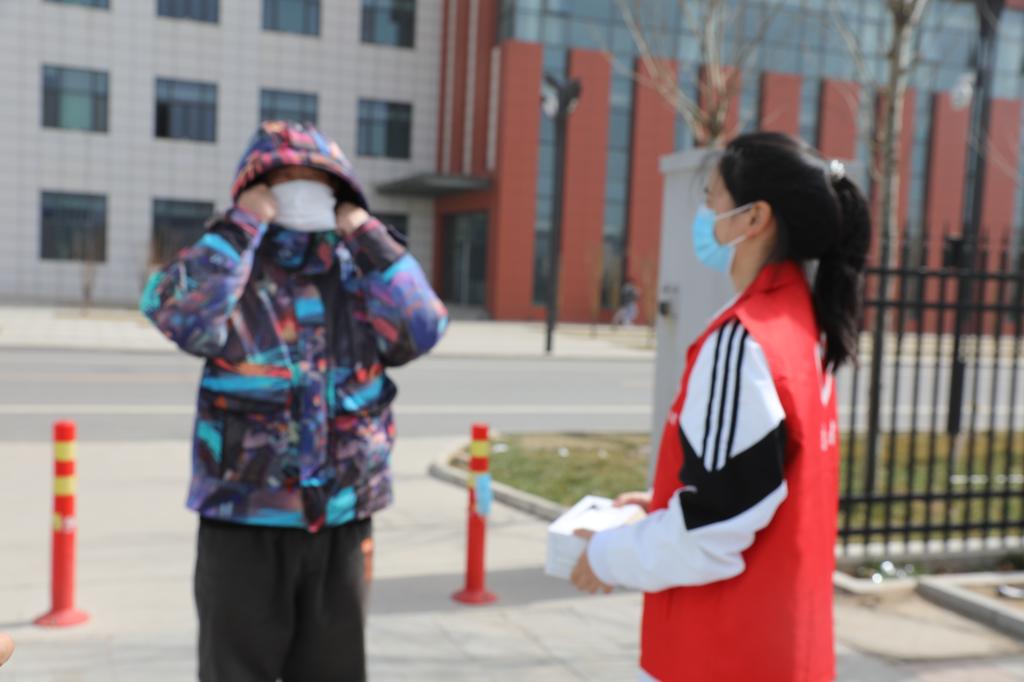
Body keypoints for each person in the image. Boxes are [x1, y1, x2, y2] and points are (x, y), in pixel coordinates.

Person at [141, 120, 448, 682]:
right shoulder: (233, 265)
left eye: (317, 179)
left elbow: (423, 326)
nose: (301, 190)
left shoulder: (361, 268)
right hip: (242, 519)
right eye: (284, 179)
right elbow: (174, 313)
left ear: (341, 190)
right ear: (257, 187)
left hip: (342, 520)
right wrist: (242, 225)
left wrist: (366, 232)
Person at [570, 132, 870, 682]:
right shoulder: (805, 326)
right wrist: (665, 503)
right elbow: (751, 489)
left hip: (719, 653)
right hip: (782, 650)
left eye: (712, 198)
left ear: (754, 218)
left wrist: (607, 555)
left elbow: (711, 533)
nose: (705, 214)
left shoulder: (743, 340)